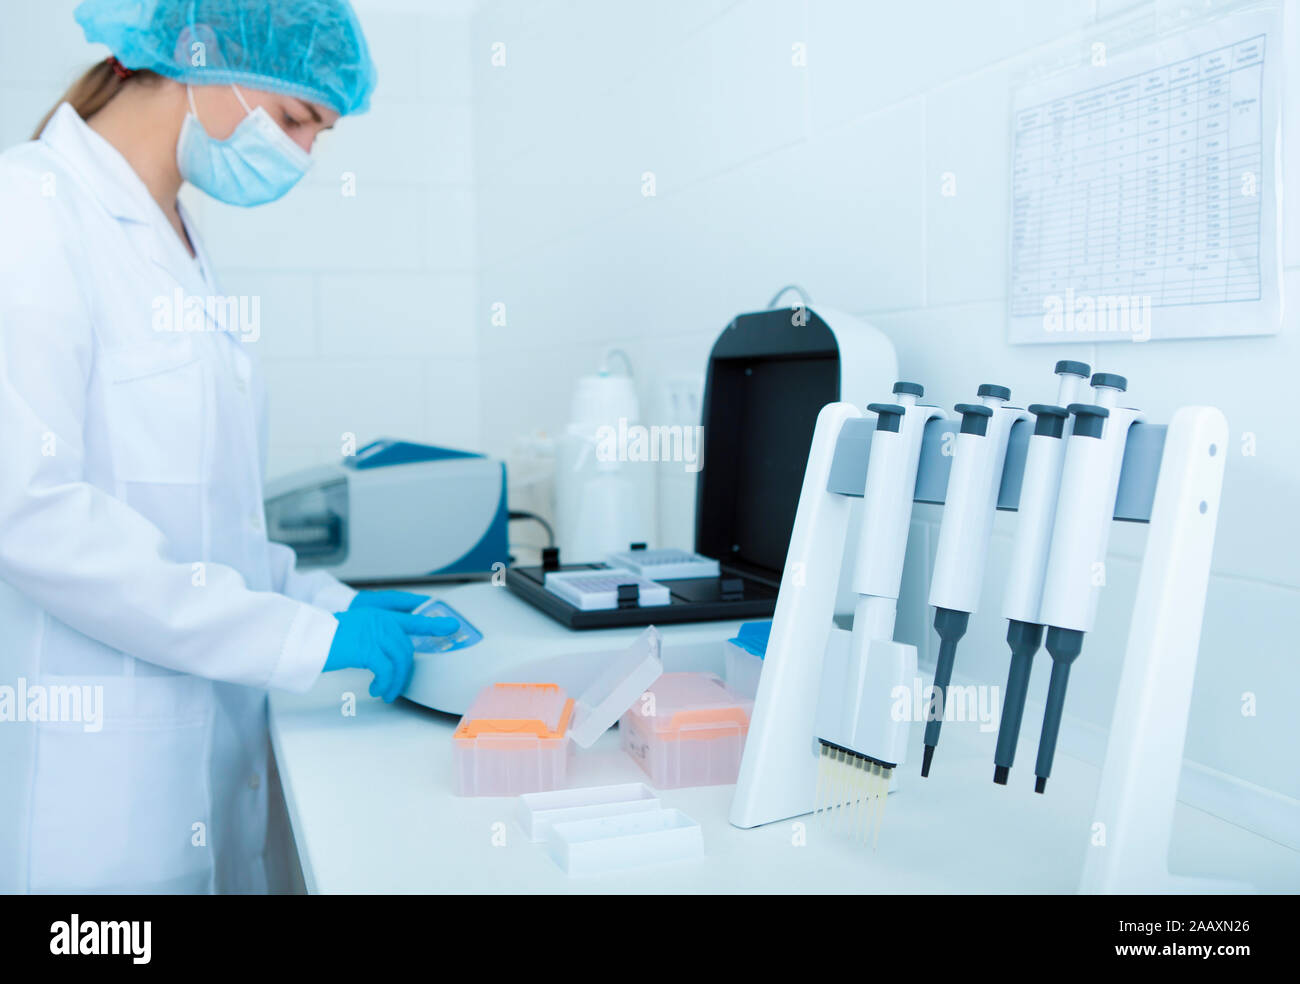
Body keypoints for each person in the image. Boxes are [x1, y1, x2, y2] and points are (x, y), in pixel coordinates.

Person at [0, 0, 454, 894]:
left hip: (208, 767)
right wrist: (300, 639)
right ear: (199, 53)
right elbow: (33, 515)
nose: (301, 154)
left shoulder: (180, 243)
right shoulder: (30, 214)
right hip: (99, 813)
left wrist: (334, 605)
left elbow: (218, 536)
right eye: (295, 120)